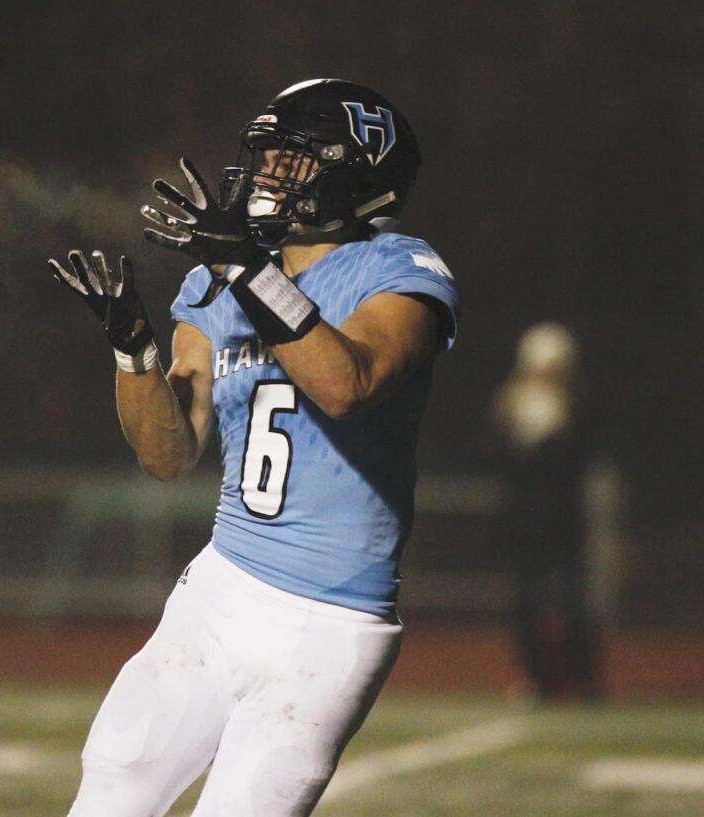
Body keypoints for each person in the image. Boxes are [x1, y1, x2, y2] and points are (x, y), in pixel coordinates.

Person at [48, 78, 460, 816]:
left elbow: (347, 381)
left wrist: (248, 270)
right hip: (219, 589)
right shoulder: (217, 277)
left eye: (292, 160)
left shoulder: (401, 270)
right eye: (266, 156)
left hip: (330, 624)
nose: (267, 173)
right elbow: (168, 455)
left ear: (353, 173)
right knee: (112, 781)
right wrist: (133, 351)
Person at [490, 322, 598, 702]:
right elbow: (499, 460)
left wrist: (555, 429)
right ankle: (535, 679)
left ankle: (584, 680)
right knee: (524, 606)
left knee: (571, 603)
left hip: (561, 520)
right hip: (522, 523)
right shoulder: (510, 403)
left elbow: (574, 461)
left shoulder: (577, 404)